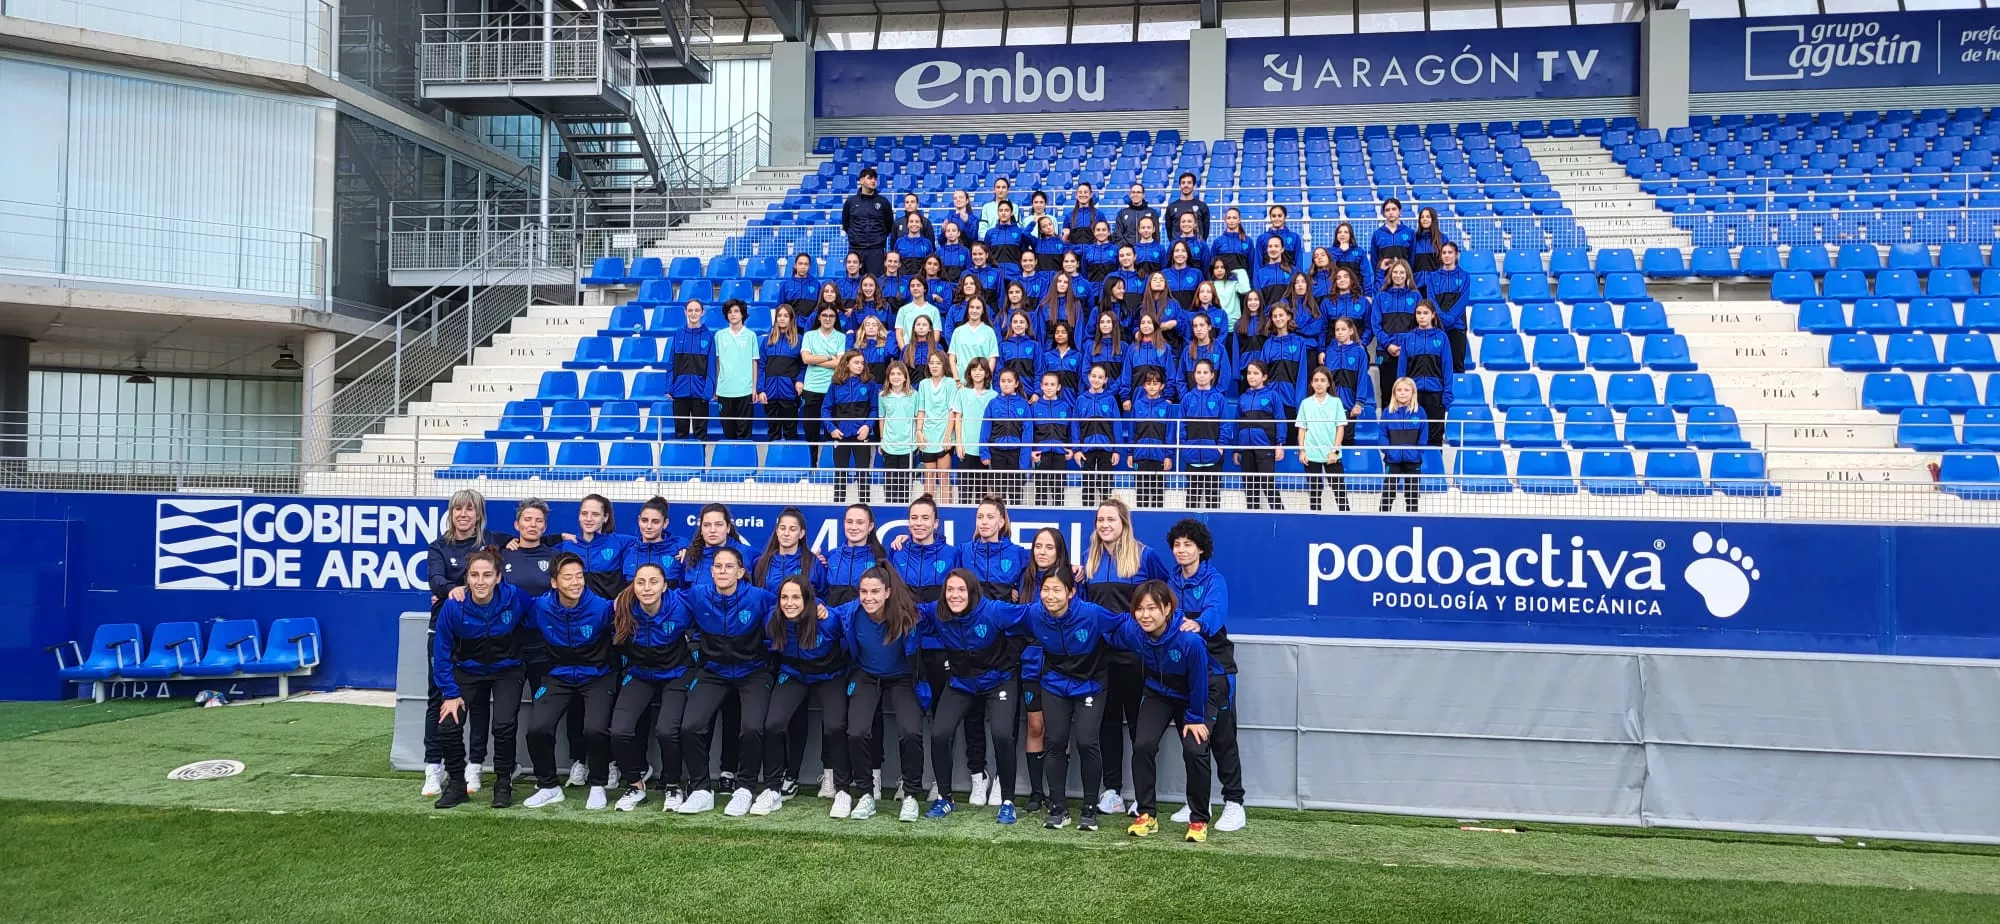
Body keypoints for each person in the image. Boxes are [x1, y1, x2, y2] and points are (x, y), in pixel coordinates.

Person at [1079, 496, 1173, 816]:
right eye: (1100, 520)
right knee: (1106, 723)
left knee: (1138, 725)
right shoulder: (1088, 561)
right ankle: (1112, 791)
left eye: (1111, 520)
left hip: (1136, 655)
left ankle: (1142, 795)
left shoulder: (1145, 556)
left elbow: (1166, 596)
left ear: (1124, 523)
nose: (1105, 525)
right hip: (1099, 657)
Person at [422, 487, 519, 799]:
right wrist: (455, 589)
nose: (463, 515)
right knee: (441, 701)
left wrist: (559, 540)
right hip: (448, 632)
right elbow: (435, 581)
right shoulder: (438, 547)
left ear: (479, 514)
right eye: (457, 509)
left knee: (483, 711)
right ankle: (434, 768)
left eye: (469, 509)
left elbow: (533, 538)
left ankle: (475, 767)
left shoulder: (493, 541)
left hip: (491, 648)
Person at [917, 569, 1032, 823]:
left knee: (1002, 733)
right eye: (950, 590)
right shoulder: (937, 612)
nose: (955, 595)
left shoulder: (993, 611)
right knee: (940, 734)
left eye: (961, 590)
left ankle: (1008, 801)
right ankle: (945, 798)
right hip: (961, 683)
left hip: (999, 680)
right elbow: (906, 611)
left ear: (972, 592)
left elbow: (1032, 615)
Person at [674, 547, 779, 816]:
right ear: (711, 572)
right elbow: (666, 602)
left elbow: (793, 606)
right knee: (690, 726)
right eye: (718, 567)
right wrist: (623, 601)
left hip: (754, 671)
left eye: (729, 566)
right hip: (714, 671)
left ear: (741, 572)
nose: (722, 571)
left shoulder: (759, 598)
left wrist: (821, 610)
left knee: (752, 728)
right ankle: (700, 790)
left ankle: (744, 789)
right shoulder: (698, 595)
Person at [1111, 580, 1214, 843]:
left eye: (1152, 608)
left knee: (1195, 748)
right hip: (1158, 693)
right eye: (1139, 609)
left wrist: (1195, 717)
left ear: (1167, 609)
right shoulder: (1134, 632)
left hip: (1193, 698)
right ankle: (1147, 814)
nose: (1145, 615)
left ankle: (1199, 818)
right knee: (1143, 744)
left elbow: (1200, 680)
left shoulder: (1190, 641)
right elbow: (1107, 624)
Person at [1163, 519, 1245, 833]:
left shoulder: (1214, 579)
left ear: (1200, 548)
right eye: (1177, 544)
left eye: (1188, 544)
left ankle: (1235, 803)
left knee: (1222, 738)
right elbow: (1163, 613)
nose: (1181, 550)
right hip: (1185, 672)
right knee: (1192, 739)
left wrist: (1197, 624)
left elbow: (1214, 612)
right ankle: (1199, 802)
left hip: (1217, 670)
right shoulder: (1170, 579)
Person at [430, 549, 528, 809]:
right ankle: (457, 785)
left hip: (508, 670)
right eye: (474, 575)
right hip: (468, 671)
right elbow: (440, 654)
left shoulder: (515, 597)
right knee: (448, 725)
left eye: (487, 575)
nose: (480, 581)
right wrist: (450, 694)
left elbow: (544, 609)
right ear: (467, 578)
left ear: (498, 578)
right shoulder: (454, 606)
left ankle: (503, 783)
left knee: (504, 726)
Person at [521, 553, 616, 810]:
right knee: (537, 729)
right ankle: (549, 786)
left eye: (579, 576)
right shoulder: (540, 607)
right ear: (554, 582)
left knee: (595, 730)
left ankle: (598, 785)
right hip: (558, 675)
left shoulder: (601, 607)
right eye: (567, 577)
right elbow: (509, 603)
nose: (575, 582)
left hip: (598, 675)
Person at [832, 566, 927, 822]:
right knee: (856, 732)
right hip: (866, 675)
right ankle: (865, 793)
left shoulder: (909, 615)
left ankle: (910, 795)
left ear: (888, 593)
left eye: (875, 591)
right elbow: (824, 613)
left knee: (911, 731)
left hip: (902, 678)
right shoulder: (851, 612)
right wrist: (818, 609)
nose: (869, 597)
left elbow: (942, 611)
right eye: (864, 591)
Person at [762, 573, 852, 817]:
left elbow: (849, 640)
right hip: (793, 674)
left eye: (796, 597)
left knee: (835, 726)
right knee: (773, 725)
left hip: (829, 676)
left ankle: (843, 790)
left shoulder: (828, 619)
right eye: (784, 597)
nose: (789, 603)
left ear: (808, 600)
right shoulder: (773, 620)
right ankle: (772, 788)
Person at [606, 562, 693, 813]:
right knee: (619, 730)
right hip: (640, 674)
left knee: (667, 730)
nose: (647, 588)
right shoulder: (622, 607)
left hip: (676, 673)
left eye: (654, 582)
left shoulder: (682, 605)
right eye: (641, 582)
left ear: (665, 586)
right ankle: (635, 785)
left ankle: (674, 785)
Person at [1394, 302, 1455, 446]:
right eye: (1419, 313)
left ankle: (1435, 467)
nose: (1422, 317)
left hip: (1435, 395)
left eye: (1425, 313)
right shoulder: (1408, 338)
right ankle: (1415, 468)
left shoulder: (1442, 338)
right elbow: (1401, 372)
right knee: (1413, 435)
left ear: (1433, 315)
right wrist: (1400, 394)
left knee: (1435, 437)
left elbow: (1447, 369)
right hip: (1412, 396)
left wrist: (1447, 395)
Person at [823, 350, 878, 504]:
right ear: (847, 363)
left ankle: (864, 507)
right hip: (841, 435)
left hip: (862, 436)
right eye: (856, 362)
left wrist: (868, 426)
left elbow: (875, 409)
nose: (860, 366)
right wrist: (831, 429)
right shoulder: (835, 384)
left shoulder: (869, 383)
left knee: (863, 475)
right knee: (840, 475)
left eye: (862, 363)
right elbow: (825, 409)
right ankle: (838, 506)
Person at [1295, 367, 1350, 513]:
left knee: (1339, 490)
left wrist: (1335, 451)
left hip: (1331, 455)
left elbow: (1340, 428)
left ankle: (1347, 520)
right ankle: (1315, 521)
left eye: (1322, 380)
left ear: (1328, 383)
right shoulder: (1305, 403)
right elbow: (1302, 429)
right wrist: (1302, 451)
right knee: (1314, 492)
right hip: (1311, 454)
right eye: (1316, 380)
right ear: (1311, 384)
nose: (1319, 383)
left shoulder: (1336, 402)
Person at [1179, 359, 1231, 509]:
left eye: (1205, 372)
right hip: (1192, 456)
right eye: (1198, 372)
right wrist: (1184, 446)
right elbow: (1181, 424)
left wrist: (1220, 447)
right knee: (1192, 499)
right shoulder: (1188, 398)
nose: (1201, 376)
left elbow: (1225, 425)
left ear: (1212, 375)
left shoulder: (1219, 398)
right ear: (1194, 375)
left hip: (1213, 458)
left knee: (1213, 499)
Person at [1234, 360, 1286, 511]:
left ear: (1264, 377)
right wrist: (1236, 448)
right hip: (1246, 448)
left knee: (1269, 486)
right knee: (1250, 489)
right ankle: (1253, 518)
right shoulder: (1243, 397)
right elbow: (1236, 423)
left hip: (1265, 447)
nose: (1251, 376)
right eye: (1249, 373)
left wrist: (1280, 444)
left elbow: (1280, 420)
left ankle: (1280, 517)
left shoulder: (1272, 396)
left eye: (1256, 373)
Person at [563, 493, 635, 600]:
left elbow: (652, 542)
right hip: (578, 614)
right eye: (584, 513)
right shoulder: (566, 546)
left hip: (610, 613)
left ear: (605, 517)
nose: (588, 519)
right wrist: (558, 537)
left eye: (595, 514)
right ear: (579, 516)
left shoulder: (621, 542)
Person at [677, 502, 760, 591]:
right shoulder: (690, 557)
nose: (712, 530)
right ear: (701, 529)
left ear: (728, 528)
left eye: (718, 525)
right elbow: (683, 594)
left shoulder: (748, 554)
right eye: (707, 525)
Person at [1371, 258, 1422, 402]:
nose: (1398, 275)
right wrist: (1388, 345)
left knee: (1407, 394)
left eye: (1402, 272)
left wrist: (1405, 345)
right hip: (1385, 352)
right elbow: (1376, 325)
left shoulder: (1415, 296)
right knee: (1387, 393)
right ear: (1390, 274)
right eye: (1395, 272)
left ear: (1407, 275)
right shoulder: (1381, 297)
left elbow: (1419, 325)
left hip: (1408, 351)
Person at [666, 299, 717, 441]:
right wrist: (670, 387)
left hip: (700, 393)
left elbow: (712, 367)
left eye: (696, 310)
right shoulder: (678, 334)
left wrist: (708, 391)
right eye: (690, 310)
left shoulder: (709, 336)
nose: (693, 313)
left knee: (701, 434)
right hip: (679, 391)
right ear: (685, 312)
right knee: (680, 432)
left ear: (702, 312)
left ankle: (699, 462)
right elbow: (671, 363)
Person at [981, 367, 1033, 505]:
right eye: (1003, 381)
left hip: (1016, 453)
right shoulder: (993, 403)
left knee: (1015, 491)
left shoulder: (1023, 404)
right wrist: (984, 453)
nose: (1006, 384)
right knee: (998, 492)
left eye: (1009, 381)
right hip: (997, 452)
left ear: (1016, 383)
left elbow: (1027, 433)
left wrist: (1024, 461)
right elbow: (985, 429)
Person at [801, 303, 846, 462]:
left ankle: (829, 465)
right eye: (824, 315)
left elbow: (839, 364)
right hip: (812, 388)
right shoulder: (809, 336)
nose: (827, 319)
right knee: (811, 430)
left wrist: (815, 359)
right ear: (819, 317)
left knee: (831, 431)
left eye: (831, 316)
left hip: (832, 388)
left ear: (836, 319)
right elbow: (806, 359)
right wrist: (828, 357)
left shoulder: (841, 337)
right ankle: (812, 465)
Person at [914, 350, 959, 503]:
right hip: (928, 435)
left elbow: (952, 411)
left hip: (944, 435)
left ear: (944, 365)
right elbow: (921, 409)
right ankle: (928, 508)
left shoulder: (950, 383)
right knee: (929, 475)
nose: (934, 366)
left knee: (944, 475)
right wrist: (918, 431)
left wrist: (947, 436)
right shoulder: (923, 384)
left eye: (938, 363)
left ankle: (947, 509)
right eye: (931, 363)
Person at [1322, 316, 1375, 446]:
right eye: (1337, 330)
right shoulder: (1330, 352)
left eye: (1343, 329)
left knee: (1347, 440)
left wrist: (1359, 403)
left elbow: (1362, 378)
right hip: (1331, 407)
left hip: (1350, 406)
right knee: (1330, 441)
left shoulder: (1359, 351)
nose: (1340, 332)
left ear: (1351, 331)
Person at [1128, 368, 1177, 509]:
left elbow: (1169, 434)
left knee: (1158, 496)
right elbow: (1132, 431)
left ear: (1161, 386)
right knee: (1141, 495)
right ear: (1143, 385)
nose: (1151, 386)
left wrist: (1168, 456)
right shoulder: (1137, 405)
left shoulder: (1166, 407)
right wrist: (1130, 453)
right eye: (1148, 383)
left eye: (1155, 383)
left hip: (1159, 457)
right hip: (1140, 456)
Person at [1420, 241, 1471, 375]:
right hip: (1438, 326)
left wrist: (1450, 319)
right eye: (1444, 253)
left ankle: (1459, 395)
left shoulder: (1464, 276)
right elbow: (1431, 301)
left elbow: (1463, 300)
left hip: (1457, 326)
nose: (1447, 255)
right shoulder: (1432, 277)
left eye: (1450, 252)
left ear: (1456, 255)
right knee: (1437, 367)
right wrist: (1442, 318)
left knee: (1457, 366)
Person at [714, 299, 761, 441]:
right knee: (728, 432)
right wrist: (716, 386)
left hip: (745, 390)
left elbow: (754, 363)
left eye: (736, 311)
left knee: (744, 432)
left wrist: (754, 388)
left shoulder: (751, 335)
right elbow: (717, 363)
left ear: (742, 314)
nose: (733, 314)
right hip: (724, 390)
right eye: (729, 312)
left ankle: (743, 461)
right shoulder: (719, 335)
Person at [1029, 370, 1078, 507]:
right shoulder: (1035, 407)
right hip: (1041, 454)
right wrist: (1031, 451)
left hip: (1059, 453)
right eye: (1046, 384)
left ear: (1058, 387)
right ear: (1041, 386)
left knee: (1058, 490)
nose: (1049, 387)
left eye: (1052, 384)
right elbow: (1030, 432)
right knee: (1041, 491)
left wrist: (1070, 449)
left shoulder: (1065, 407)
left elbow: (1070, 430)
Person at [1073, 364, 1121, 501]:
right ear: (1088, 377)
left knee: (1105, 487)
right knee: (1087, 488)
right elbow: (1075, 426)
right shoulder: (1081, 400)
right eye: (1094, 376)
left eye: (1100, 377)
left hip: (1106, 449)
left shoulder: (1110, 400)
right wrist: (1077, 449)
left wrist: (1117, 450)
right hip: (1086, 450)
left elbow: (1116, 426)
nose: (1096, 380)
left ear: (1105, 380)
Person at [949, 357, 996, 497]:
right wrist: (959, 444)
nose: (977, 373)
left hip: (984, 450)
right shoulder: (962, 393)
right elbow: (958, 418)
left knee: (982, 493)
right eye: (974, 369)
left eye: (981, 370)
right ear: (969, 373)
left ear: (987, 373)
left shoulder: (994, 396)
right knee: (965, 493)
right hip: (967, 449)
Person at [758, 305, 805, 443]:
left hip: (790, 393)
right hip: (770, 393)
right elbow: (761, 366)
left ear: (791, 319)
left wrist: (799, 380)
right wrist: (761, 389)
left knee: (791, 432)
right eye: (780, 316)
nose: (782, 319)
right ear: (776, 319)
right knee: (773, 432)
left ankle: (791, 463)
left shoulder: (799, 340)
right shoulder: (767, 341)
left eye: (786, 316)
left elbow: (803, 366)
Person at [1381, 377, 1427, 513]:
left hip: (1413, 460)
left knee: (1412, 495)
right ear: (1394, 392)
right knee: (1388, 493)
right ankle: (1382, 520)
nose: (1402, 393)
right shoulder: (1387, 412)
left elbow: (1423, 435)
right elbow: (1382, 434)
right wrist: (1387, 451)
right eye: (1399, 390)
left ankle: (1412, 520)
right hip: (1392, 459)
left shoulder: (1420, 412)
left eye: (1406, 390)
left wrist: (1418, 452)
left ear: (1413, 392)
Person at [877, 361, 919, 506]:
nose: (896, 377)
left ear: (905, 377)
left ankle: (905, 508)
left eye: (899, 374)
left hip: (908, 445)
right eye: (892, 374)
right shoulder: (882, 395)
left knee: (905, 483)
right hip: (890, 445)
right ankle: (890, 507)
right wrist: (882, 439)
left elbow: (917, 418)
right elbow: (882, 418)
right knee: (890, 482)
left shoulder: (913, 395)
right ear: (888, 377)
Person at [841, 166, 894, 275]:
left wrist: (878, 238)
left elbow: (889, 225)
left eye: (875, 179)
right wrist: (854, 237)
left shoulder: (883, 202)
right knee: (855, 282)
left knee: (876, 282)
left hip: (876, 250)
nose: (873, 181)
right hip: (856, 249)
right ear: (861, 180)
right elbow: (846, 224)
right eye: (870, 178)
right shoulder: (850, 202)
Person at [947, 296, 999, 383]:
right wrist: (957, 380)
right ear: (967, 309)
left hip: (982, 384)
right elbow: (952, 358)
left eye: (978, 308)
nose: (974, 310)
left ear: (983, 311)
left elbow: (992, 358)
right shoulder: (958, 331)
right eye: (972, 307)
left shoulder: (989, 332)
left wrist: (986, 379)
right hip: (962, 382)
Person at [1370, 196, 1415, 276]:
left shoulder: (1409, 233)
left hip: (1403, 278)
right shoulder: (1377, 234)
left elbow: (1412, 258)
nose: (1390, 212)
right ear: (1383, 214)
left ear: (1400, 212)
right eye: (1387, 210)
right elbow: (1374, 260)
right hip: (1384, 280)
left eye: (1394, 209)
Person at [998, 310, 1040, 391]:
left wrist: (1037, 392)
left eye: (1021, 322)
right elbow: (998, 372)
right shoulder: (1003, 346)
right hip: (1009, 392)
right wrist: (999, 391)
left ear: (1027, 325)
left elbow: (1039, 372)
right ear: (1011, 325)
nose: (1018, 325)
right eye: (1015, 322)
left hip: (1029, 392)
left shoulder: (1035, 346)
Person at [1208, 256, 1252, 333]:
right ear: (1212, 270)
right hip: (1217, 326)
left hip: (1234, 326)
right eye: (1216, 268)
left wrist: (1237, 271)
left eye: (1222, 267)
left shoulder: (1233, 284)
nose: (1219, 270)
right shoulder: (1210, 285)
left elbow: (1245, 289)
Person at [1040, 319, 1084, 396]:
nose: (1060, 335)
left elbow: (1081, 381)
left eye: (1063, 332)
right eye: (1057, 332)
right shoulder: (1047, 356)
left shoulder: (1077, 356)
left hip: (1071, 401)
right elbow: (1042, 378)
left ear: (1069, 334)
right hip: (1052, 402)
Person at [1327, 222, 1374, 294]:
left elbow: (1366, 275)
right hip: (1336, 292)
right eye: (1339, 232)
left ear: (1350, 235)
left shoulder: (1359, 251)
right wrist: (1340, 251)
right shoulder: (1330, 251)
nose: (1342, 234)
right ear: (1336, 235)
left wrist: (1368, 294)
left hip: (1357, 292)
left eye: (1346, 232)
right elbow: (1329, 269)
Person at [1163, 171, 1210, 241]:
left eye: (1189, 183)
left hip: (1196, 249)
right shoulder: (1171, 207)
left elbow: (1206, 229)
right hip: (1178, 249)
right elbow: (1169, 230)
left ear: (1194, 186)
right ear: (1179, 186)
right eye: (1183, 183)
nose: (1186, 185)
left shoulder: (1202, 206)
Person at [1208, 207, 1254, 276]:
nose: (1231, 221)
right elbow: (1212, 265)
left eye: (1234, 218)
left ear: (1239, 220)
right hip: (1223, 282)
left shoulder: (1248, 241)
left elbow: (1252, 265)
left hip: (1242, 283)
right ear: (1225, 220)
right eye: (1229, 218)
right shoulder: (1218, 241)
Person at [1252, 237, 1295, 309]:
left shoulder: (1293, 271)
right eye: (1270, 246)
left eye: (1276, 246)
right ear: (1267, 249)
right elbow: (1258, 300)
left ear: (1282, 249)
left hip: (1288, 316)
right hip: (1268, 317)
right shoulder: (1260, 274)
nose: (1273, 249)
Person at [1257, 204, 1303, 272]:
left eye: (1279, 216)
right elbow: (1258, 263)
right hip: (1268, 280)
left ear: (1285, 217)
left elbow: (1298, 261)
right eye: (1273, 216)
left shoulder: (1294, 237)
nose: (1276, 218)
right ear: (1270, 217)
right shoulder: (1262, 238)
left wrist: (1299, 279)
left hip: (1289, 279)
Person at [983, 200, 1029, 268]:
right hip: (995, 274)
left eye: (1006, 210)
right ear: (998, 213)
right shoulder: (990, 233)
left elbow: (1024, 254)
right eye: (1001, 210)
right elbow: (987, 255)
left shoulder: (1020, 232)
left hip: (1014, 275)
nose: (1003, 213)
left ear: (1011, 213)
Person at [776, 253, 820, 318]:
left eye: (806, 264)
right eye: (800, 263)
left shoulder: (816, 284)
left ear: (809, 267)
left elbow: (819, 307)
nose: (803, 267)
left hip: (810, 326)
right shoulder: (786, 285)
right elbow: (780, 308)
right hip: (791, 325)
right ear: (795, 265)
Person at [1065, 181, 1106, 245]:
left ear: (1091, 195)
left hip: (1093, 253)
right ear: (1076, 195)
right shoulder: (1068, 216)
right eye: (1080, 192)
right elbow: (1065, 240)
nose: (1083, 194)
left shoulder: (1099, 215)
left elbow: (1105, 237)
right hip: (1075, 253)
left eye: (1085, 192)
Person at [1411, 206, 1448, 276]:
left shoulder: (1443, 238)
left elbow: (1447, 263)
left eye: (1428, 217)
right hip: (1417, 284)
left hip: (1436, 284)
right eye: (1422, 217)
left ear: (1433, 219)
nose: (1425, 219)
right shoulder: (1414, 239)